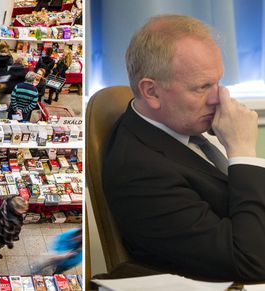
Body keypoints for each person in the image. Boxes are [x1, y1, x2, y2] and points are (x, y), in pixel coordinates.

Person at [103, 15, 265, 282]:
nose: (219, 98)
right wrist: (243, 151)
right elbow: (251, 262)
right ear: (152, 92)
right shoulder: (140, 172)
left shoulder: (186, 123)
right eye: (202, 87)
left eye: (218, 82)